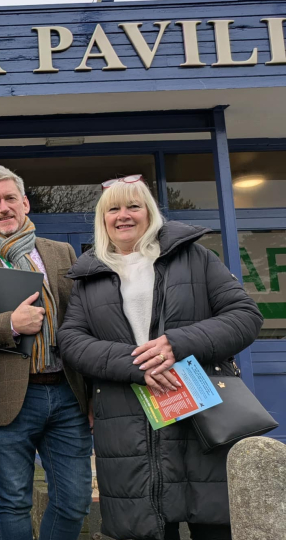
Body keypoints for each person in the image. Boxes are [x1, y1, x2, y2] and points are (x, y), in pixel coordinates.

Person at [57, 176, 264, 540]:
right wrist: (137, 365)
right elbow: (71, 341)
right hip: (127, 418)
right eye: (113, 209)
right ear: (102, 219)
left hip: (201, 409)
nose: (124, 216)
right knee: (145, 525)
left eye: (134, 206)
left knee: (213, 521)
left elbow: (245, 316)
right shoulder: (87, 277)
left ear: (150, 212)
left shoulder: (196, 257)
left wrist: (176, 344)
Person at [0, 165, 92, 540]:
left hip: (68, 393)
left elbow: (84, 321)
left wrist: (93, 391)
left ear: (25, 203)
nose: (3, 207)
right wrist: (9, 323)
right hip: (10, 397)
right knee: (13, 500)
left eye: (10, 198)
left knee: (74, 499)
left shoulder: (62, 253)